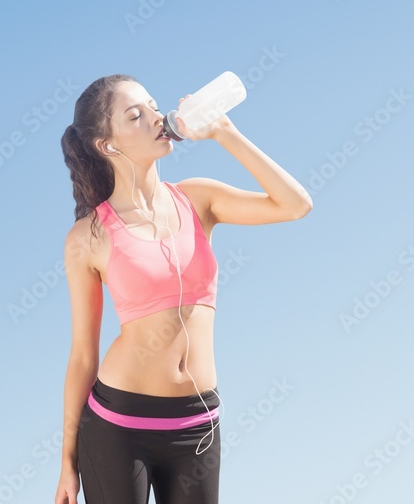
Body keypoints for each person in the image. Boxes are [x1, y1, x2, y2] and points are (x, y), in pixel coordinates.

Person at [53, 74, 312, 504]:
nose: (157, 117)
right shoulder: (88, 236)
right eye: (136, 115)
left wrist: (225, 133)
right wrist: (67, 461)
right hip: (117, 424)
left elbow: (295, 205)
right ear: (108, 145)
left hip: (197, 423)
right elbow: (82, 354)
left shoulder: (198, 199)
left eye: (154, 106)